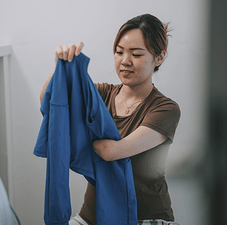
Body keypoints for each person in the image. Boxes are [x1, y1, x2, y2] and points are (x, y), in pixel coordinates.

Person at [40, 14, 181, 225]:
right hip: (91, 217)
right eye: (119, 52)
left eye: (136, 54)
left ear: (159, 58)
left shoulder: (165, 109)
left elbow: (112, 151)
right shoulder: (101, 94)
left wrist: (80, 137)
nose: (125, 61)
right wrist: (59, 67)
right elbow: (50, 103)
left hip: (146, 218)